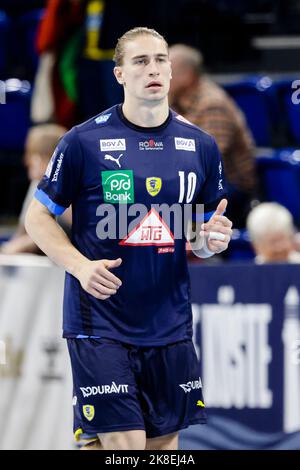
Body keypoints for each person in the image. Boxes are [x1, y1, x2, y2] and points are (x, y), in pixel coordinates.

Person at [25, 27, 233, 451]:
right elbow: (37, 217)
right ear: (120, 74)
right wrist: (80, 266)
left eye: (160, 60)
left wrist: (211, 240)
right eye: (140, 62)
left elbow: (197, 236)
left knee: (161, 449)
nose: (152, 69)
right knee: (127, 445)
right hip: (99, 322)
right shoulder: (83, 141)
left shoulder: (201, 146)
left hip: (169, 323)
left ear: (172, 71)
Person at [168, 44, 257, 229]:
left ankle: (197, 253)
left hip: (230, 186)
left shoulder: (212, 103)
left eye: (169, 70)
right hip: (192, 178)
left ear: (188, 75)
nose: (162, 77)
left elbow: (209, 160)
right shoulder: (174, 101)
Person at [0, 124, 69, 255]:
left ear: (48, 158)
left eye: (32, 154)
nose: (26, 161)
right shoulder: (37, 185)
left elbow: (66, 231)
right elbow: (21, 234)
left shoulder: (69, 190)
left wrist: (27, 243)